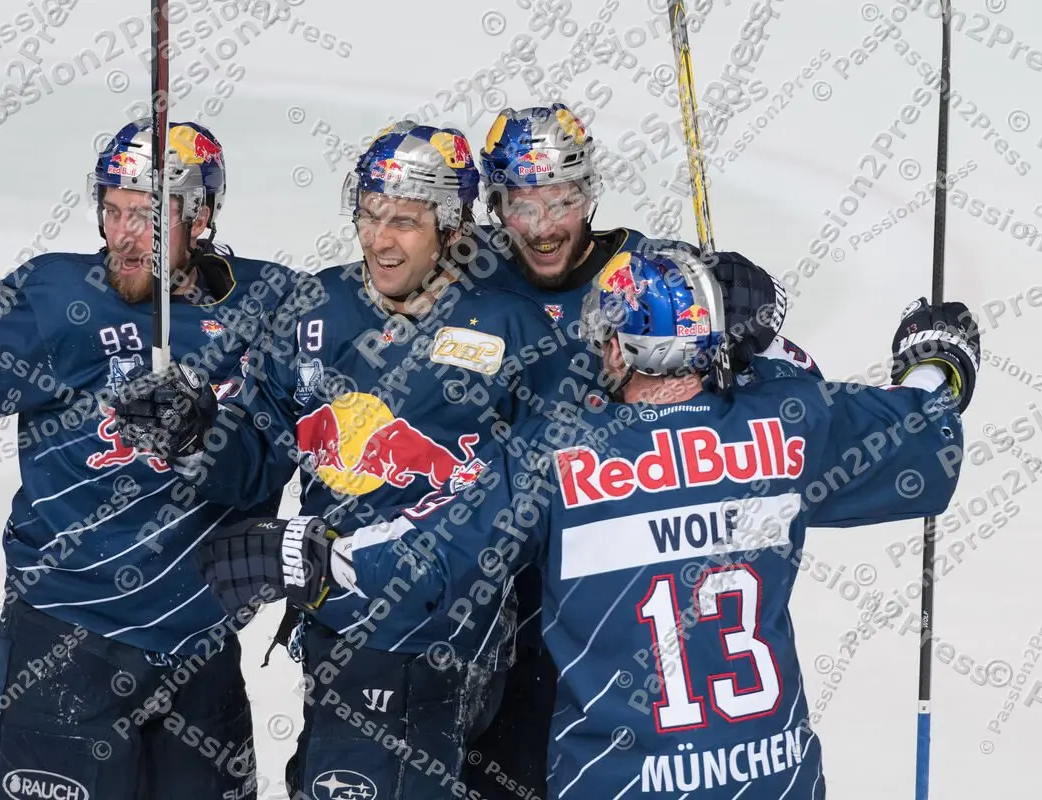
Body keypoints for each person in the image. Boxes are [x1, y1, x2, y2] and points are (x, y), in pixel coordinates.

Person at [211, 247, 979, 799]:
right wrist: (932, 361)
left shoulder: (559, 455)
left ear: (624, 346)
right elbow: (930, 439)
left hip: (619, 780)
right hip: (772, 779)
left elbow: (428, 571)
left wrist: (316, 558)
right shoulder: (785, 418)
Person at [110, 120, 583, 800]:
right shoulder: (315, 311)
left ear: (453, 228)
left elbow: (563, 488)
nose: (378, 241)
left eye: (404, 223)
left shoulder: (515, 330)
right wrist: (196, 433)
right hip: (339, 639)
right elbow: (255, 455)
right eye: (367, 215)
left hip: (453, 647)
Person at [0, 120, 289, 800]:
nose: (123, 235)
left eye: (145, 214)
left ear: (200, 216)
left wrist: (208, 435)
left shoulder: (275, 308)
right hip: (67, 650)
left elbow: (319, 430)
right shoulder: (59, 303)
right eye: (112, 209)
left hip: (203, 658)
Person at [466, 102, 812, 798]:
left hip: (620, 602)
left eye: (561, 200)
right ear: (494, 205)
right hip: (490, 595)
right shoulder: (463, 282)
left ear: (589, 191)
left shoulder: (661, 279)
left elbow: (796, 389)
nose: (542, 227)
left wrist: (751, 334)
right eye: (520, 205)